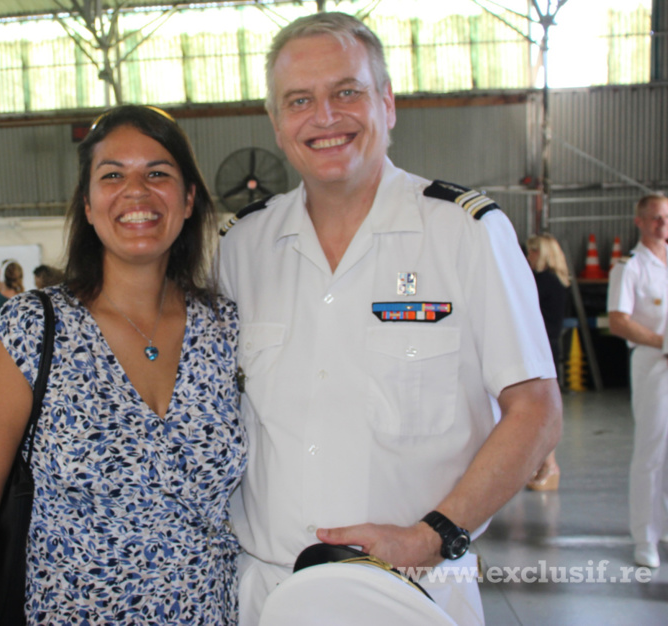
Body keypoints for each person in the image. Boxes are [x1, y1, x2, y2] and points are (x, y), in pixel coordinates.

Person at [216, 13, 562, 626]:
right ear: (276, 124)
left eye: (347, 91)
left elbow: (535, 408)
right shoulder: (241, 248)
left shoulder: (466, 233)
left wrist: (433, 536)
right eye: (300, 100)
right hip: (266, 594)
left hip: (412, 590)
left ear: (387, 102)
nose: (325, 117)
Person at [0, 105, 246, 624]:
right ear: (89, 202)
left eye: (158, 174)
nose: (137, 192)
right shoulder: (32, 330)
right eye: (113, 175)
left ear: (189, 199)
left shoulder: (226, 329)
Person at [607, 193, 668, 569]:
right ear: (640, 221)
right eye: (657, 218)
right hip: (653, 363)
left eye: (667, 218)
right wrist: (663, 341)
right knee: (651, 451)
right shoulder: (629, 267)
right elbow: (619, 320)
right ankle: (644, 538)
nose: (663, 225)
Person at [525, 233, 570, 491]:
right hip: (547, 346)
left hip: (540, 348)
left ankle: (548, 464)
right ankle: (542, 464)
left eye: (532, 251)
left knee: (538, 411)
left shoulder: (543, 282)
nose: (528, 256)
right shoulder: (558, 281)